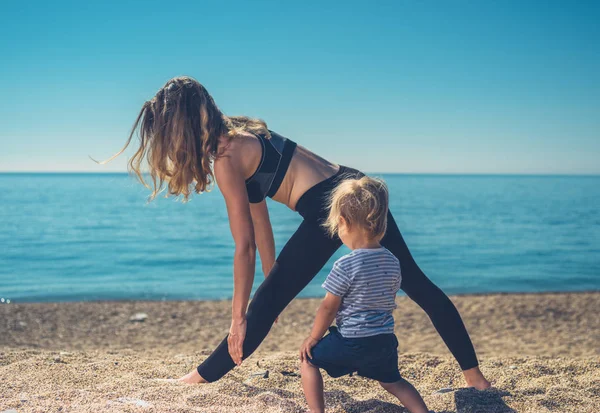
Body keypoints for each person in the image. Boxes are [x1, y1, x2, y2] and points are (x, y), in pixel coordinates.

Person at [94, 76, 491, 390]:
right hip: (355, 184)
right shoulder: (244, 133)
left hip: (328, 205)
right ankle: (475, 378)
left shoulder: (225, 158)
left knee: (259, 309)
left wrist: (238, 317)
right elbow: (260, 219)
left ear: (179, 126)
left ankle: (201, 376)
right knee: (417, 283)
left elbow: (243, 246)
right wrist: (274, 279)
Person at [294, 176, 432, 413]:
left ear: (344, 222)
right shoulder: (392, 261)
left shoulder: (346, 264)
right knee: (394, 382)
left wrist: (314, 338)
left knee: (308, 360)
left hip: (351, 342)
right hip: (383, 342)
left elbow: (328, 308)